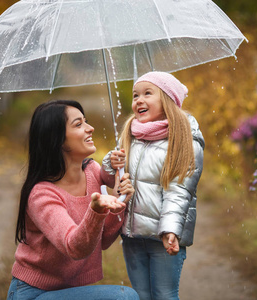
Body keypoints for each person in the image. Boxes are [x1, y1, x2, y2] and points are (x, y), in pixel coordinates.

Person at [7, 100, 139, 300]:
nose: (90, 128)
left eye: (85, 121)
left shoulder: (92, 172)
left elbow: (101, 241)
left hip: (70, 291)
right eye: (79, 124)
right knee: (124, 297)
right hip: (35, 294)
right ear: (57, 139)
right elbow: (75, 247)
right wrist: (96, 211)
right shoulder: (41, 194)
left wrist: (121, 200)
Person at [101, 72, 205, 300]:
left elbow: (180, 192)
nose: (139, 100)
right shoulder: (131, 135)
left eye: (148, 93)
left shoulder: (183, 139)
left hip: (163, 237)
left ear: (168, 99)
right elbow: (115, 181)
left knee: (164, 295)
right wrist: (111, 164)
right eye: (135, 95)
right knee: (140, 296)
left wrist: (170, 230)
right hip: (132, 235)